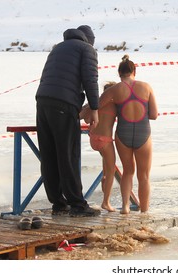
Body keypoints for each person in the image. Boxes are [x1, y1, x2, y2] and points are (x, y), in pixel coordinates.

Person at [35, 25, 101, 217]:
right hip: (63, 104)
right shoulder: (87, 49)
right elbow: (90, 79)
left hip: (43, 101)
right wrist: (94, 109)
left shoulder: (58, 48)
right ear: (90, 40)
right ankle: (78, 205)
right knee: (67, 154)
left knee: (49, 154)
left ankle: (58, 203)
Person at [94, 55, 158, 214]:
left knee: (128, 171)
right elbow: (154, 115)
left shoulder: (115, 89)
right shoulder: (146, 87)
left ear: (119, 73)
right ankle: (144, 211)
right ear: (134, 71)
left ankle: (125, 207)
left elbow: (96, 106)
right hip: (143, 133)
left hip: (123, 134)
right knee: (144, 176)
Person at [80, 82, 117, 212]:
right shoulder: (114, 105)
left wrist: (87, 106)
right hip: (105, 140)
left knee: (106, 167)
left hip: (93, 138)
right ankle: (106, 202)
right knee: (112, 170)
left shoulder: (95, 104)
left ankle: (104, 178)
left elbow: (85, 118)